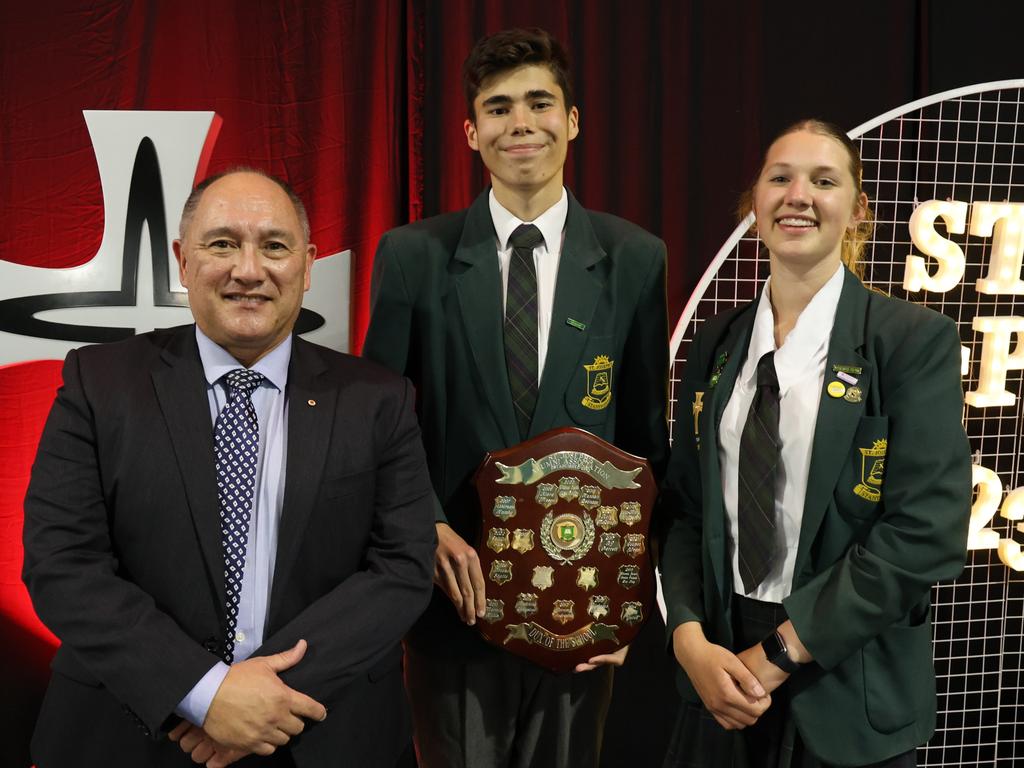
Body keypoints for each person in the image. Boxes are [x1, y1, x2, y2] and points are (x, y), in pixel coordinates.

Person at [22, 169, 437, 768]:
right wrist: (203, 693)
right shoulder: (98, 383)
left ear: (307, 264)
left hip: (319, 733)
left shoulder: (379, 398)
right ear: (182, 262)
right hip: (132, 732)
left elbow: (401, 566)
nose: (249, 270)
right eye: (222, 244)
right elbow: (62, 563)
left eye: (274, 245)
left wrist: (261, 700)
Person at [362, 27, 670, 768]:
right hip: (453, 603)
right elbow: (374, 422)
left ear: (572, 121)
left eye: (539, 103)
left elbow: (643, 440)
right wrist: (422, 526)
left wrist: (623, 596)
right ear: (472, 132)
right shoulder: (413, 256)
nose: (520, 123)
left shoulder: (634, 259)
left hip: (580, 606)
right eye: (498, 109)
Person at [659, 119, 972, 768]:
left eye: (823, 181)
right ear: (754, 203)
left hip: (845, 676)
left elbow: (928, 530)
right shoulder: (716, 343)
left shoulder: (911, 341)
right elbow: (686, 512)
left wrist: (781, 653)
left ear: (857, 210)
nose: (798, 195)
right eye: (780, 178)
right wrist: (688, 639)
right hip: (721, 678)